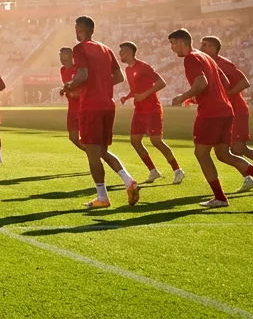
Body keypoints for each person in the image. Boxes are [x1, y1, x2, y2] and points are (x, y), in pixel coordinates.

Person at [168, 29, 253, 208]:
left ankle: (220, 197)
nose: (172, 48)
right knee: (224, 154)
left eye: (173, 44)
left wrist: (182, 97)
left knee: (201, 154)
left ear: (182, 42)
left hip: (211, 113)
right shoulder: (206, 57)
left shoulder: (191, 58)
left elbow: (201, 83)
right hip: (226, 110)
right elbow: (225, 82)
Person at [60, 16, 140, 209]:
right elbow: (119, 76)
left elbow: (82, 74)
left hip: (91, 107)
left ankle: (102, 197)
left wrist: (69, 85)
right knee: (102, 150)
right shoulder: (106, 49)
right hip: (107, 105)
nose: (75, 31)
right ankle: (128, 181)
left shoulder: (80, 49)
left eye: (76, 28)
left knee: (93, 154)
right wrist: (101, 85)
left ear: (81, 29)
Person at [199, 36, 253, 191]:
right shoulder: (207, 65)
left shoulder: (224, 64)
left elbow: (244, 82)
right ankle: (249, 178)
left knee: (237, 149)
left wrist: (227, 93)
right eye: (202, 44)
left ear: (215, 49)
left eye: (206, 45)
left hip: (237, 111)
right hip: (223, 113)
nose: (202, 47)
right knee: (224, 151)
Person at [117, 41, 183, 184]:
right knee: (135, 141)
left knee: (156, 141)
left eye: (122, 51)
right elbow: (135, 89)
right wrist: (127, 96)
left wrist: (145, 94)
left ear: (130, 52)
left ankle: (178, 170)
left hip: (152, 109)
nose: (120, 54)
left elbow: (161, 83)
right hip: (139, 110)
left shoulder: (144, 67)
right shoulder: (128, 70)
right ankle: (153, 171)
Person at [58, 47, 84, 152]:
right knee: (73, 138)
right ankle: (94, 156)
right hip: (72, 108)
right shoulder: (63, 70)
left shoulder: (79, 69)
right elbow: (67, 85)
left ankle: (95, 157)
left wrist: (77, 94)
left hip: (82, 107)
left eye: (63, 55)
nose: (61, 57)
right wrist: (64, 90)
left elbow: (85, 86)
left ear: (71, 56)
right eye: (60, 55)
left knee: (87, 138)